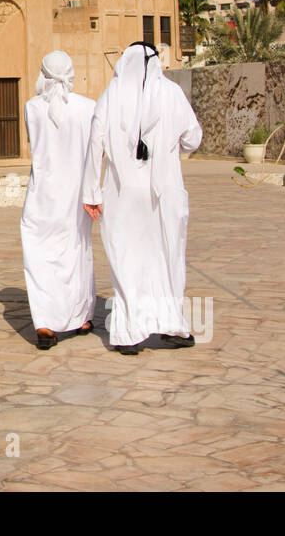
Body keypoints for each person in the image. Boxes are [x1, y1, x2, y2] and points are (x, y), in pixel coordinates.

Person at [81, 42, 202, 355]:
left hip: (122, 194)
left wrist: (91, 191)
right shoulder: (171, 93)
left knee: (127, 257)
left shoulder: (111, 95)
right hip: (165, 191)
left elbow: (95, 143)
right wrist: (170, 149)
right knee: (167, 256)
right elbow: (194, 138)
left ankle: (128, 332)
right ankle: (171, 325)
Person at [19, 51, 97, 350]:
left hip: (42, 195)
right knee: (76, 253)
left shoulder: (31, 107)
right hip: (75, 194)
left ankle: (44, 322)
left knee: (39, 255)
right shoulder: (89, 108)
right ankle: (80, 317)